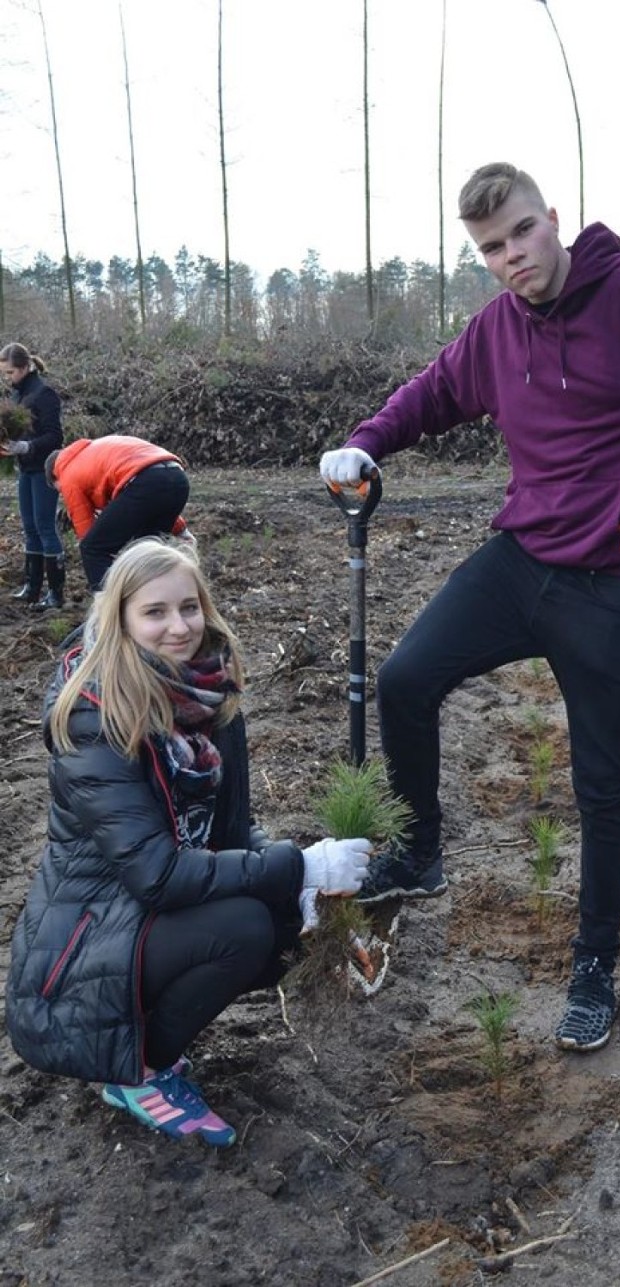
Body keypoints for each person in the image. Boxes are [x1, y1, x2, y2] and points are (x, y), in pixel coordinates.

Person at [319, 161, 620, 1054]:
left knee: (600, 786)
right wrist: (367, 440)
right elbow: (437, 392)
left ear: (554, 220)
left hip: (616, 583)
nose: (510, 257)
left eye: (522, 234)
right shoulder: (498, 329)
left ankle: (593, 968)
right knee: (406, 680)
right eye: (491, 248)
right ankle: (419, 855)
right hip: (522, 558)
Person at [4, 538, 371, 1147]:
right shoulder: (94, 719)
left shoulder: (207, 699)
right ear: (119, 619)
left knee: (278, 922)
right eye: (154, 613)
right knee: (245, 927)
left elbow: (230, 833)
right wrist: (296, 864)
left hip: (143, 917)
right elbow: (156, 873)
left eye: (189, 607)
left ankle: (149, 1031)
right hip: (80, 953)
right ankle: (138, 1073)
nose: (179, 627)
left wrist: (306, 889)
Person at [45, 433, 196, 591]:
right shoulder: (93, 452)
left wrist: (95, 552)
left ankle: (108, 607)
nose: (64, 496)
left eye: (60, 491)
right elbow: (155, 489)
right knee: (146, 551)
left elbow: (87, 534)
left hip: (144, 482)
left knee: (92, 549)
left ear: (56, 477)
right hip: (177, 477)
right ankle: (155, 599)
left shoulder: (67, 474)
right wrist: (180, 529)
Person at [0, 342, 65, 609]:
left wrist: (28, 446)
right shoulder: (16, 396)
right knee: (29, 527)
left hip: (44, 470)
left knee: (45, 526)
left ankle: (56, 593)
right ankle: (32, 586)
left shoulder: (44, 393)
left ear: (26, 367)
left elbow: (55, 436)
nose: (7, 378)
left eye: (10, 372)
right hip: (26, 469)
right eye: (3, 373)